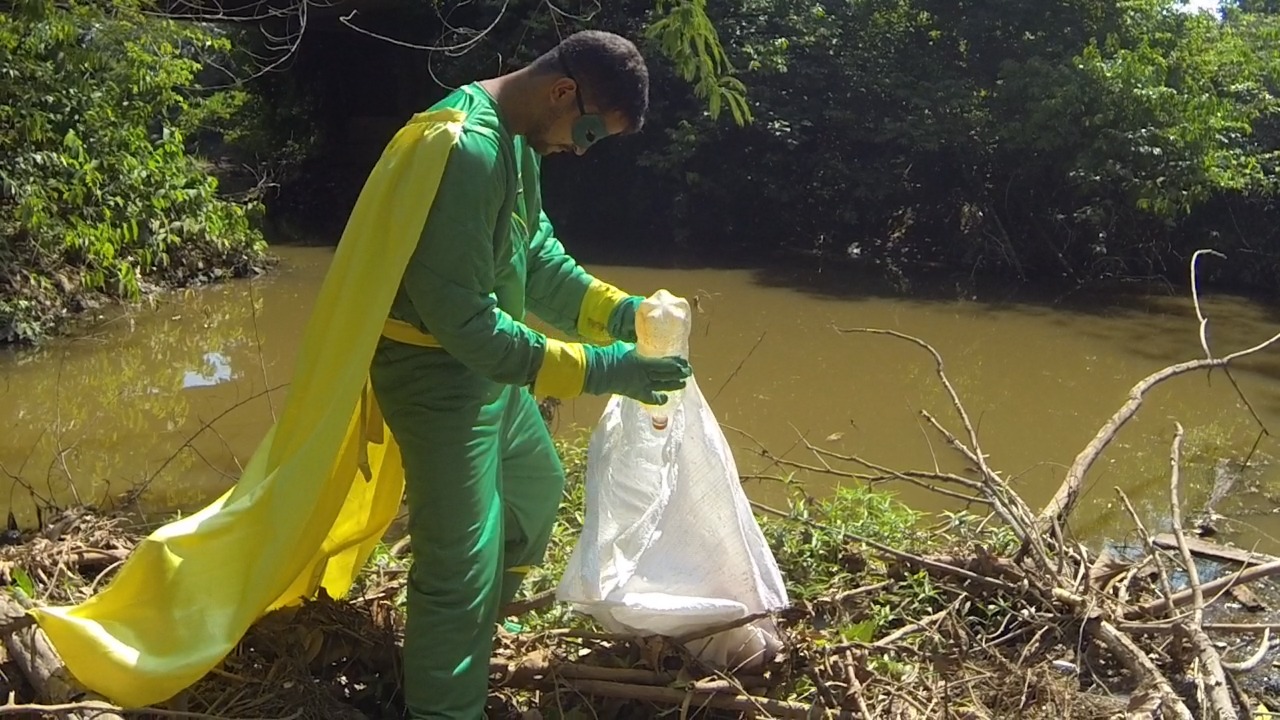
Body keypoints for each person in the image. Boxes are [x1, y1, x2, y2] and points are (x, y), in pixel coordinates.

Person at [367, 30, 692, 719]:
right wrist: (604, 368)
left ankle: (484, 622)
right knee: (458, 565)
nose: (579, 148)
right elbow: (467, 325)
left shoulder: (517, 141)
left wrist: (621, 313)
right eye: (586, 133)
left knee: (535, 487)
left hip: (490, 373)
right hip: (435, 375)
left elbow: (534, 259)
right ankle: (445, 702)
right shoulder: (464, 148)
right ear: (562, 92)